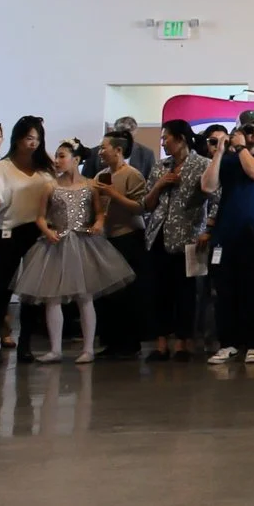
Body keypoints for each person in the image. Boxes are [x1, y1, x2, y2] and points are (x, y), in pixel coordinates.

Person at [12, 140, 136, 364]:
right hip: (56, 242)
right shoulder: (50, 186)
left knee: (85, 295)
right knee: (53, 297)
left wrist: (98, 223)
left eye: (62, 156)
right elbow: (40, 216)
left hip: (84, 242)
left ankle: (88, 348)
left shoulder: (90, 186)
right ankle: (55, 349)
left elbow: (99, 212)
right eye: (57, 157)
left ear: (76, 160)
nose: (57, 161)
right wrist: (47, 231)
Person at [203, 109, 254, 365]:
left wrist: (241, 150)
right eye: (247, 129)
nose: (252, 134)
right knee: (226, 291)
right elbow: (207, 186)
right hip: (227, 234)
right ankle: (228, 343)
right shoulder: (228, 159)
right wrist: (219, 151)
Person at [139, 120, 212, 362]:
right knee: (159, 291)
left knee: (187, 291)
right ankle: (161, 343)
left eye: (165, 137)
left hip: (191, 237)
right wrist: (159, 185)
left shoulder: (204, 165)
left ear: (180, 138)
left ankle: (183, 342)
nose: (162, 142)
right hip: (158, 235)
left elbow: (217, 199)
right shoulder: (160, 167)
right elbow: (146, 204)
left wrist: (208, 229)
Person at [0, 116, 54, 363]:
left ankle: (25, 344)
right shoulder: (4, 166)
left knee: (31, 292)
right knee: (2, 288)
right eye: (28, 138)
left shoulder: (46, 166)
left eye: (36, 139)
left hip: (38, 231)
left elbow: (58, 193)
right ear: (18, 139)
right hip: (9, 230)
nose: (32, 143)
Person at [90, 131, 150, 358]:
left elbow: (140, 207)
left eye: (104, 147)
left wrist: (113, 194)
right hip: (107, 239)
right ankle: (111, 341)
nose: (101, 152)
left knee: (128, 293)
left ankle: (129, 342)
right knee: (109, 293)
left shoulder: (133, 175)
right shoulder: (101, 175)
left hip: (129, 237)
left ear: (118, 150)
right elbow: (97, 208)